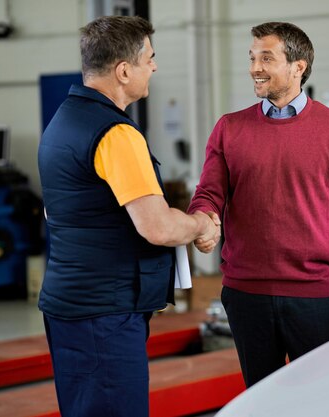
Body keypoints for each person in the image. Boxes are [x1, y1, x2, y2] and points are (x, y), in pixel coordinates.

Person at [37, 15, 220, 417]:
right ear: (124, 70)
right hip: (105, 314)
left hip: (71, 305)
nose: (154, 66)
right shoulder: (116, 135)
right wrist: (202, 224)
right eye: (149, 58)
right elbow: (157, 226)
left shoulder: (63, 123)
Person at [188, 21, 329, 387]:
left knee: (323, 400)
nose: (254, 68)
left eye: (266, 58)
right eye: (252, 58)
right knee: (260, 400)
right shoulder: (229, 128)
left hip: (314, 297)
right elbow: (209, 192)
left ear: (298, 66)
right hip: (246, 296)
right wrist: (204, 219)